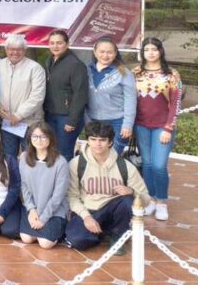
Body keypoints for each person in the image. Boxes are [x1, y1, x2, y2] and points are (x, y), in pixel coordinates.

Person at [65, 121, 148, 255]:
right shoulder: (76, 164)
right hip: (89, 210)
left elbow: (146, 199)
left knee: (127, 200)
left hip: (113, 209)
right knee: (77, 241)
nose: (97, 144)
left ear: (110, 142)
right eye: (93, 139)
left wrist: (132, 191)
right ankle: (101, 232)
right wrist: (86, 217)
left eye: (102, 140)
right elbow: (71, 196)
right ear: (88, 141)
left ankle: (118, 236)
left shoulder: (125, 166)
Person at [133, 37, 183, 222]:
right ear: (142, 52)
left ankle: (162, 202)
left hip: (163, 126)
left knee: (159, 165)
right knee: (146, 164)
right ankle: (151, 199)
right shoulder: (135, 72)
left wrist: (168, 128)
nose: (151, 53)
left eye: (154, 49)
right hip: (141, 125)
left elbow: (176, 103)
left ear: (160, 51)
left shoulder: (172, 74)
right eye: (147, 49)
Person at [0, 34, 47, 158]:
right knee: (8, 157)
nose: (15, 52)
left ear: (24, 50)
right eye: (11, 49)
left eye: (19, 49)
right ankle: (11, 178)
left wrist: (18, 115)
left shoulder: (35, 68)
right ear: (6, 50)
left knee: (30, 157)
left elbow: (37, 96)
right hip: (6, 122)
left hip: (29, 122)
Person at [18, 122, 70, 249]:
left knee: (45, 243)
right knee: (27, 238)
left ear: (50, 138)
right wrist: (31, 209)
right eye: (35, 136)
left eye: (43, 136)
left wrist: (44, 218)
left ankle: (60, 230)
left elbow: (58, 195)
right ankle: (39, 226)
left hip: (53, 210)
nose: (38, 140)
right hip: (33, 208)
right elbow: (23, 186)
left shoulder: (60, 162)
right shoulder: (24, 157)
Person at [86, 37, 136, 155]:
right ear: (95, 52)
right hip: (93, 121)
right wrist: (86, 121)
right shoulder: (86, 70)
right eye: (102, 51)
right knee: (95, 156)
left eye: (109, 52)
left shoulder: (124, 72)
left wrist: (127, 125)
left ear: (115, 53)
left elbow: (130, 100)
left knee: (112, 158)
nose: (105, 55)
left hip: (117, 122)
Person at [43, 30, 90, 158]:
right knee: (52, 151)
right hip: (50, 114)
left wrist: (72, 120)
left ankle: (67, 178)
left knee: (64, 152)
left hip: (67, 117)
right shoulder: (49, 61)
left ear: (67, 44)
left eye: (59, 43)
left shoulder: (76, 65)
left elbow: (80, 94)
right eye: (52, 43)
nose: (55, 46)